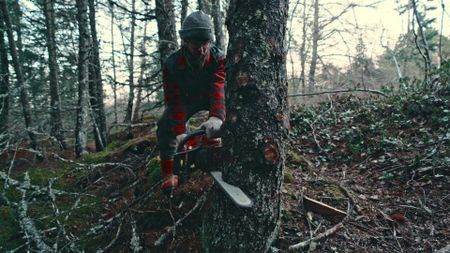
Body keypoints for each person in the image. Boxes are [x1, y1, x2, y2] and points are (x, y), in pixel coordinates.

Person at [157, 11, 226, 192]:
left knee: (232, 114)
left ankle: (219, 152)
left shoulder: (218, 58)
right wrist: (180, 131)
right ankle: (169, 172)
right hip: (186, 99)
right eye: (196, 45)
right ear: (185, 42)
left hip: (211, 96)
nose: (202, 50)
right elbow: (174, 101)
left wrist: (216, 116)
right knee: (165, 124)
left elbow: (219, 86)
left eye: (205, 44)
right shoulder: (171, 65)